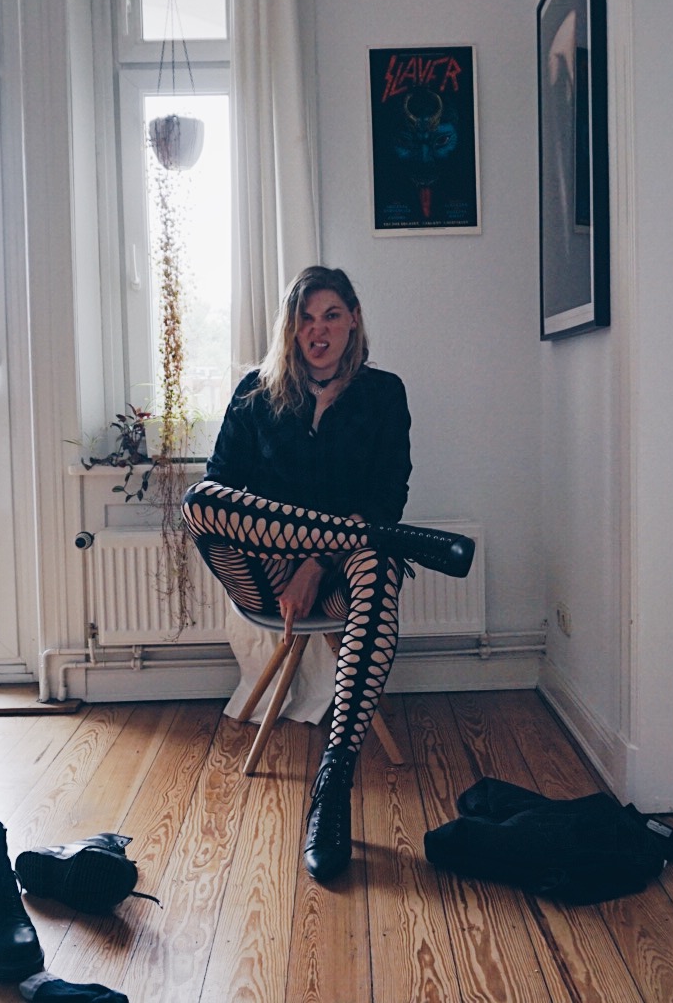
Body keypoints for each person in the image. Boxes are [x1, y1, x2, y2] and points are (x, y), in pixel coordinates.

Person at [181, 265, 473, 882]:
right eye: (306, 318)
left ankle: (333, 785)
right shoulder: (255, 393)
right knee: (198, 502)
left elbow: (387, 489)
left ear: (354, 320)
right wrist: (289, 553)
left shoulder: (383, 393)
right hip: (258, 569)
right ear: (291, 328)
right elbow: (218, 488)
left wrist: (316, 559)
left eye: (331, 315)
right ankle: (383, 543)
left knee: (373, 560)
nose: (319, 330)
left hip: (342, 576)